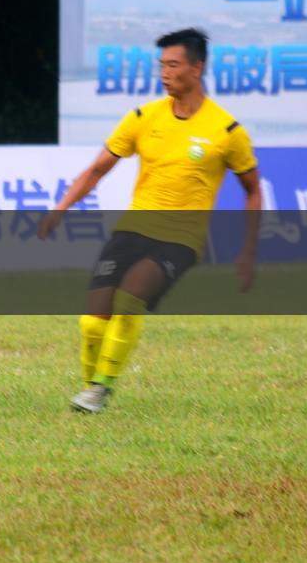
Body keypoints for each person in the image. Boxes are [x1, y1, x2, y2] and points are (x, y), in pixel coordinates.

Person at [38, 28, 262, 413]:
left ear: (197, 68)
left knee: (129, 300)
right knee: (92, 324)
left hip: (182, 240)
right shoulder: (143, 117)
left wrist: (247, 251)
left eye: (173, 64)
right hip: (133, 228)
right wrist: (61, 208)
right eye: (161, 65)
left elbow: (253, 190)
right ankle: (92, 387)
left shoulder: (227, 131)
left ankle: (99, 390)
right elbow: (97, 169)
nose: (164, 72)